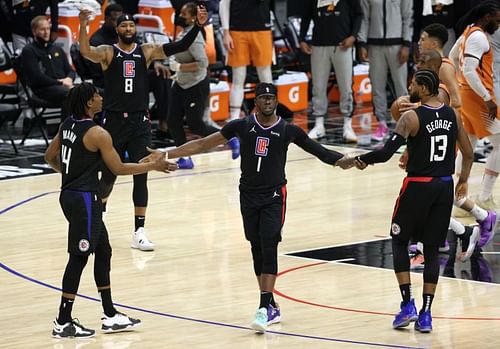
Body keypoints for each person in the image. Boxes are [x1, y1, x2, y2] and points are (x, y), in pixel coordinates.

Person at [143, 82, 344, 333]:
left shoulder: (288, 130)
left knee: (269, 243)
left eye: (272, 98)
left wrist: (344, 161)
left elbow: (321, 152)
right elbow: (202, 144)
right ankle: (270, 304)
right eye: (263, 98)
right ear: (256, 102)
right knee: (256, 247)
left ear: (276, 101)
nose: (268, 101)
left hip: (273, 195)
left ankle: (263, 307)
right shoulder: (242, 126)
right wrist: (167, 153)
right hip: (247, 195)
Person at [337, 69, 474, 332]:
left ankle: (407, 304)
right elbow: (468, 153)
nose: (408, 87)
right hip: (444, 187)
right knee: (432, 250)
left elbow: (386, 152)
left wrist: (358, 160)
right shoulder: (453, 115)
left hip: (417, 186)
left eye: (412, 84)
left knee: (399, 240)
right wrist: (463, 181)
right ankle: (426, 314)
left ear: (423, 88)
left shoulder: (411, 117)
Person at [44, 82, 176, 338]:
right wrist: (153, 167)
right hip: (84, 200)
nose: (100, 99)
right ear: (87, 103)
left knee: (103, 251)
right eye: (96, 96)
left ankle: (110, 314)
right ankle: (63, 321)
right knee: (79, 257)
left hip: (70, 196)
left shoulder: (67, 125)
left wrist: (69, 174)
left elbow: (50, 156)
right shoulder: (97, 133)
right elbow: (118, 169)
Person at [78, 7, 208, 251]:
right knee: (108, 174)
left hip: (139, 122)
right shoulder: (108, 52)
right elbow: (85, 51)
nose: (128, 29)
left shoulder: (146, 51)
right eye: (124, 26)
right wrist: (84, 24)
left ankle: (139, 231)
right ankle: (99, 217)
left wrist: (199, 27)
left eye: (131, 26)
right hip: (114, 121)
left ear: (135, 29)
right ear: (117, 29)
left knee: (142, 173)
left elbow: (178, 46)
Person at [450, 1, 500, 211]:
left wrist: (459, 84)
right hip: (482, 97)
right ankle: (485, 196)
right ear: (488, 16)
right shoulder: (480, 35)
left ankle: (458, 200)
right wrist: (486, 96)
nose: (498, 23)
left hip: (469, 95)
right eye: (497, 19)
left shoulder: (469, 31)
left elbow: (452, 56)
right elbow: (470, 69)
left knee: (467, 147)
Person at [299, 0, 363, 143]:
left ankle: (348, 125)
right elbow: (306, 16)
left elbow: (359, 15)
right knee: (318, 87)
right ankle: (319, 124)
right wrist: (302, 39)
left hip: (342, 46)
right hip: (319, 45)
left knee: (346, 86)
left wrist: (353, 36)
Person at [167, 2, 220, 169]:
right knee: (172, 121)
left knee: (196, 125)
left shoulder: (195, 36)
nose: (180, 17)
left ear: (192, 18)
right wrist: (173, 62)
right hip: (181, 82)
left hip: (195, 84)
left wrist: (180, 67)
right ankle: (185, 158)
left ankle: (230, 138)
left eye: (183, 14)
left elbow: (202, 63)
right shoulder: (183, 33)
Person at [357, 0, 413, 141]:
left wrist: (406, 43)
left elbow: (408, 17)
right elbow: (364, 17)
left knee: (401, 87)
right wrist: (362, 43)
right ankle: (381, 124)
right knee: (377, 86)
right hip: (374, 45)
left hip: (397, 44)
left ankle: (404, 125)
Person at [219, 0, 273, 121]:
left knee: (265, 76)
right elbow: (224, 3)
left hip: (262, 29)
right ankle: (234, 118)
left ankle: (270, 114)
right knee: (238, 77)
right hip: (237, 30)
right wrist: (226, 32)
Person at [21, 15, 75, 109]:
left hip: (64, 86)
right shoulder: (29, 51)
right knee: (71, 95)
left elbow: (70, 70)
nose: (46, 32)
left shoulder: (57, 49)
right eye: (42, 29)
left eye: (48, 29)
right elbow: (36, 77)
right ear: (34, 31)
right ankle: (67, 123)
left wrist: (69, 79)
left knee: (90, 92)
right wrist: (60, 82)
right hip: (43, 89)